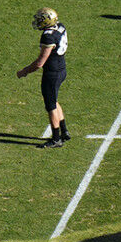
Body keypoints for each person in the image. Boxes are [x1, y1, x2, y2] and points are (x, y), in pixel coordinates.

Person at [17, 8, 70, 149]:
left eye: (40, 19)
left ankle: (56, 139)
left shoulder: (48, 36)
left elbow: (40, 62)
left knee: (50, 105)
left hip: (52, 73)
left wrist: (24, 71)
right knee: (54, 99)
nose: (38, 22)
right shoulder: (60, 26)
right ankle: (64, 131)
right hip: (61, 69)